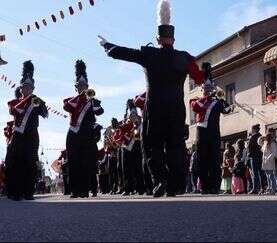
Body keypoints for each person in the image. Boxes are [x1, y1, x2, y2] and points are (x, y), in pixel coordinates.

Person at [99, 0, 204, 197]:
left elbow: (127, 54)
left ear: (157, 39)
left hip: (154, 108)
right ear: (173, 39)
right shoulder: (185, 58)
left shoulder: (150, 54)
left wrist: (108, 47)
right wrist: (205, 73)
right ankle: (175, 185)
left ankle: (159, 182)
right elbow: (199, 78)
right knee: (175, 146)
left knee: (152, 147)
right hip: (175, 108)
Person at [5, 60, 48, 201]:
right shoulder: (14, 102)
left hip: (31, 136)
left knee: (30, 163)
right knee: (15, 163)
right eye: (25, 87)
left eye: (30, 88)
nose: (27, 90)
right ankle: (15, 192)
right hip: (18, 136)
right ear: (21, 88)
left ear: (32, 88)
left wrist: (40, 105)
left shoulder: (36, 101)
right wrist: (26, 100)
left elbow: (44, 113)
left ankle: (28, 191)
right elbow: (14, 111)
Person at [63, 60, 104, 198]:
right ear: (76, 87)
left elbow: (100, 112)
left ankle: (85, 190)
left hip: (87, 134)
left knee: (86, 162)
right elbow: (67, 107)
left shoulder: (92, 100)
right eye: (79, 85)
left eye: (84, 85)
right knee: (73, 162)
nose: (82, 87)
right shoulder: (70, 100)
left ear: (87, 86)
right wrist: (81, 96)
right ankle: (75, 190)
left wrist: (91, 100)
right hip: (73, 133)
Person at [190, 66, 233, 194]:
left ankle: (215, 186)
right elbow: (196, 107)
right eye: (206, 89)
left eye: (210, 88)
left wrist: (221, 99)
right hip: (201, 133)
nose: (208, 91)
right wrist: (209, 98)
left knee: (214, 160)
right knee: (202, 160)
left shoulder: (217, 102)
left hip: (214, 134)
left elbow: (227, 110)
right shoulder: (197, 100)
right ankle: (205, 186)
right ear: (202, 89)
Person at [247, 124, 263, 194]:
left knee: (255, 173)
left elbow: (249, 148)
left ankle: (255, 188)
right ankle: (262, 187)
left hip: (253, 157)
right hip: (260, 156)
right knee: (261, 172)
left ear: (254, 129)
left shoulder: (252, 137)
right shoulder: (261, 136)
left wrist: (249, 155)